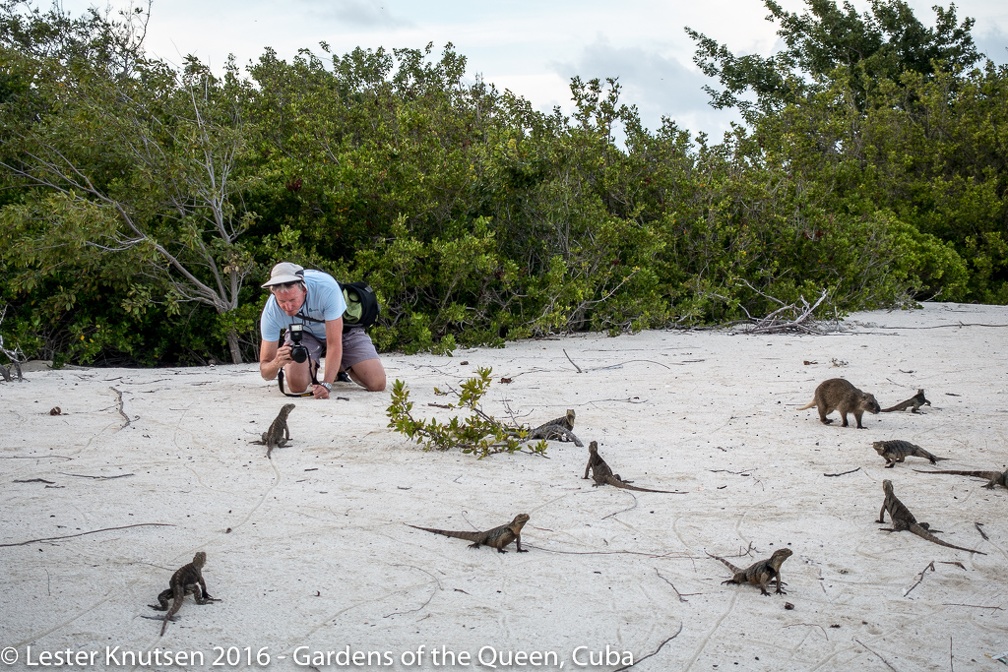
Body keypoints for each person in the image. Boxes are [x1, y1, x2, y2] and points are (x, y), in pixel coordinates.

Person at [259, 262, 386, 397]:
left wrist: (326, 384)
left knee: (377, 383)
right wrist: (276, 363)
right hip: (304, 333)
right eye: (282, 301)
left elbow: (334, 343)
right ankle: (317, 368)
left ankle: (341, 368)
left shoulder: (326, 288)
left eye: (292, 299)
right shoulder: (271, 312)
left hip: (341, 331)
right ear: (273, 294)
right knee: (297, 386)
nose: (288, 306)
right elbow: (265, 372)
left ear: (304, 290)